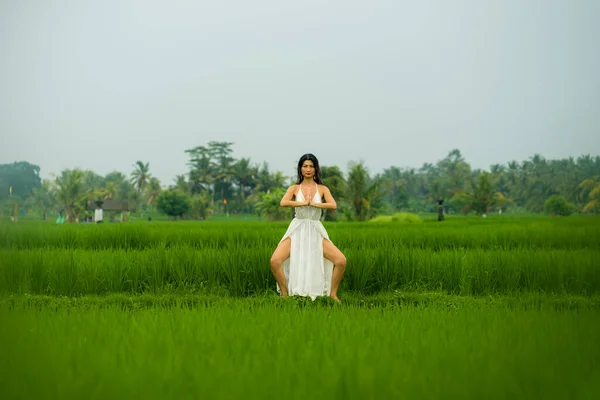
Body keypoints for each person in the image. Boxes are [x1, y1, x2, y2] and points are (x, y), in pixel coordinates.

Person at [269, 154, 347, 303]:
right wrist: (303, 203)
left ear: (316, 168)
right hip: (297, 228)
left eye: (311, 166)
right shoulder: (294, 188)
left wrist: (316, 204)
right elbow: (283, 202)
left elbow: (333, 205)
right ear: (300, 168)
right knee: (275, 261)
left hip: (315, 228)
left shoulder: (323, 189)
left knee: (341, 260)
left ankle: (332, 294)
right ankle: (285, 295)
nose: (308, 169)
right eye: (305, 166)